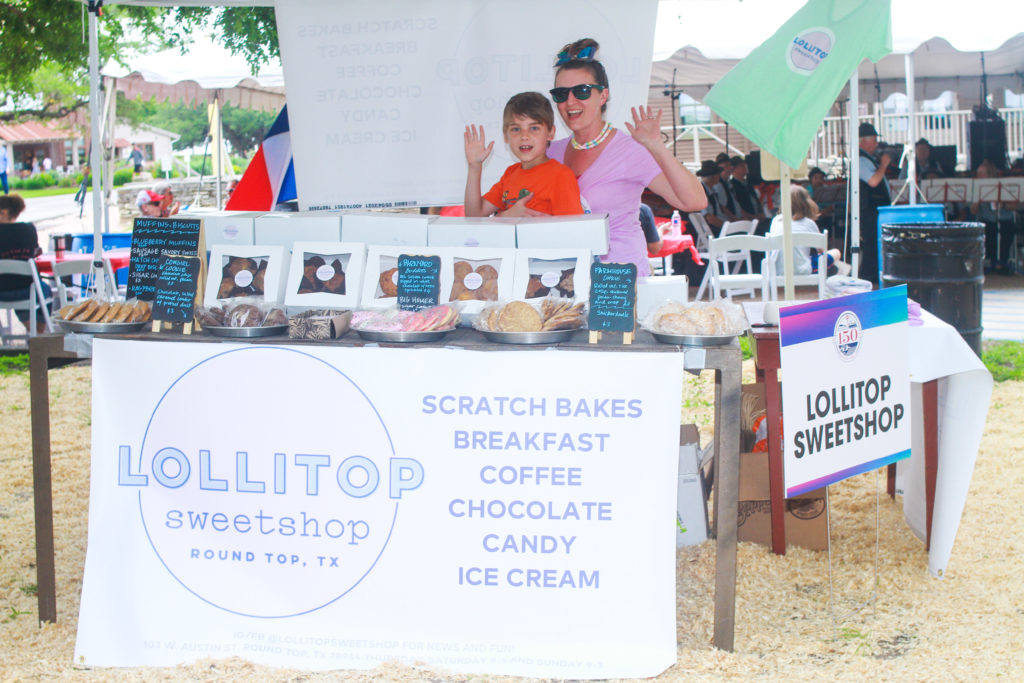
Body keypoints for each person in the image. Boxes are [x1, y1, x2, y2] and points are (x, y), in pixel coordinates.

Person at [545, 38, 705, 276]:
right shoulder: (551, 153)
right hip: (567, 281)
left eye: (582, 91)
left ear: (603, 95)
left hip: (620, 286)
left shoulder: (631, 149)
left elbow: (694, 201)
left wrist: (656, 147)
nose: (570, 101)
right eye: (561, 93)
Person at [464, 92, 583, 217]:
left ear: (550, 133)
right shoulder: (510, 174)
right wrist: (474, 167)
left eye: (534, 128)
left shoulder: (561, 176)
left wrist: (506, 217)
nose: (524, 136)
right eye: (516, 129)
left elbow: (573, 230)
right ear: (505, 136)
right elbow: (474, 216)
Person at [769, 185, 845, 278]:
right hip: (802, 270)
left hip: (777, 270)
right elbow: (821, 251)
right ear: (806, 203)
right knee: (836, 252)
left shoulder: (775, 220)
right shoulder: (809, 223)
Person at [0, 193, 50, 334]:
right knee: (42, 290)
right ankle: (37, 332)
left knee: (13, 283)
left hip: (1, 290)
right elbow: (36, 252)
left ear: (3, 212)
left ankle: (8, 333)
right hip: (26, 289)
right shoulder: (29, 230)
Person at [966, 160, 1018, 275]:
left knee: (1008, 230)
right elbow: (972, 211)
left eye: (981, 173)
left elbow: (1015, 205)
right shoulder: (975, 188)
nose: (978, 176)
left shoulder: (1004, 186)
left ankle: (1003, 261)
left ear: (989, 174)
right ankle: (991, 261)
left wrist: (1003, 204)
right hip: (987, 220)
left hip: (1004, 219)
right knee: (988, 231)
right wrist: (978, 202)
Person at [857, 122, 891, 284]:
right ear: (863, 141)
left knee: (874, 243)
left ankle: (872, 276)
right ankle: (868, 277)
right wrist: (883, 165)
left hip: (875, 209)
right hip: (869, 209)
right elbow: (873, 181)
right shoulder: (860, 159)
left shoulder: (868, 158)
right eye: (873, 140)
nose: (876, 144)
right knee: (871, 244)